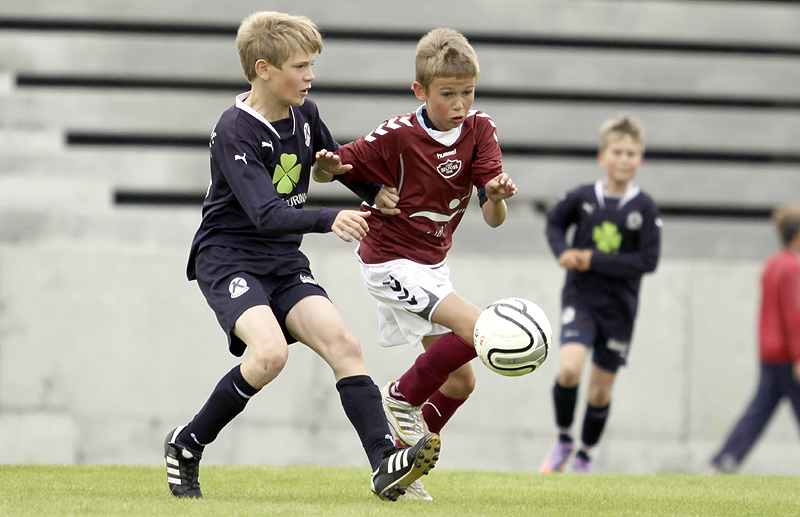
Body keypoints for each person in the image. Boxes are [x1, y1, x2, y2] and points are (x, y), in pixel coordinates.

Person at [163, 11, 440, 502]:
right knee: (270, 355)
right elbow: (266, 214)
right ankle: (187, 443)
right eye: (300, 66)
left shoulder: (304, 113)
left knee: (344, 344)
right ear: (264, 69)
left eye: (312, 65)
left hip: (282, 260)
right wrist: (330, 218)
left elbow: (333, 159)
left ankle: (384, 464)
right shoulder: (234, 130)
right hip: (228, 258)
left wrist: (374, 191)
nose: (311, 76)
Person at [314, 27, 517, 499]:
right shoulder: (396, 135)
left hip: (431, 266)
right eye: (448, 94)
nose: (460, 104)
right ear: (420, 91)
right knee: (479, 329)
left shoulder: (480, 130)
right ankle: (401, 397)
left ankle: (402, 470)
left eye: (468, 92)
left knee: (461, 381)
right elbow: (329, 170)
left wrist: (496, 197)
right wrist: (327, 165)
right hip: (389, 260)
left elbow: (494, 218)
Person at [540, 114, 662, 473]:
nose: (624, 159)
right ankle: (564, 440)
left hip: (619, 309)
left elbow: (648, 260)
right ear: (602, 156)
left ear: (640, 160)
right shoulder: (582, 196)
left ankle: (586, 455)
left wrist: (593, 259)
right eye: (617, 152)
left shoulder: (645, 207)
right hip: (581, 299)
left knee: (599, 392)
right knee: (568, 369)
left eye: (631, 153)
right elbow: (553, 222)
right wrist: (562, 251)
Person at [710, 205, 800, 474]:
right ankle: (727, 458)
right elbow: (795, 315)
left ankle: (727, 458)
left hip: (770, 351)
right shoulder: (793, 267)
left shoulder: (773, 262)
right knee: (762, 408)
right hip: (788, 353)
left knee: (759, 409)